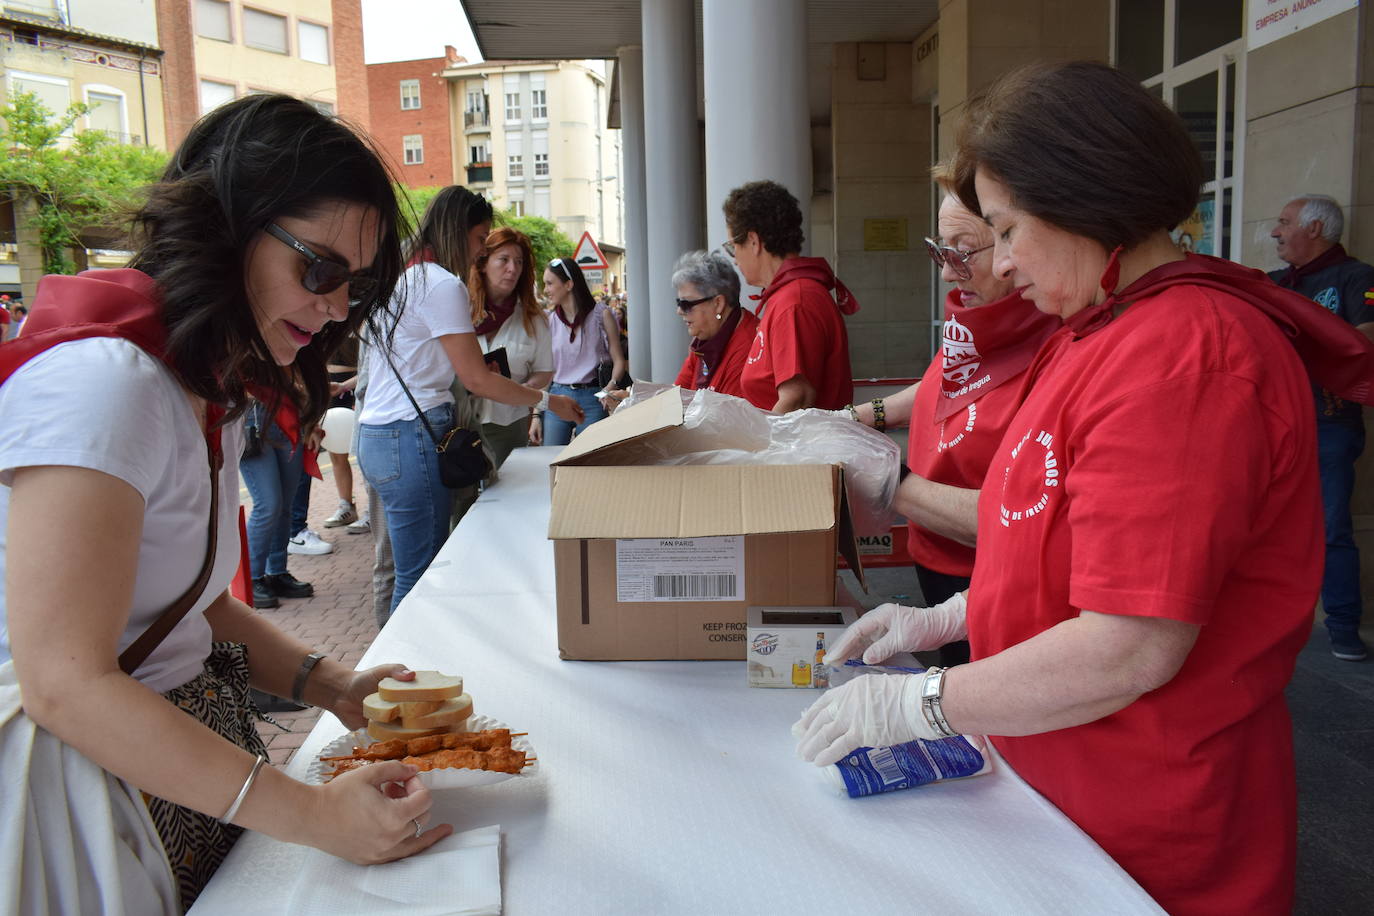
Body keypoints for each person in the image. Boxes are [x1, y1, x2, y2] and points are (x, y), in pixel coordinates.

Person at [795, 61, 1374, 916]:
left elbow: (1130, 644)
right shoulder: (1093, 331)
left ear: (1084, 199)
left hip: (1146, 814)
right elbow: (1049, 534)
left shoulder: (1187, 357)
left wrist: (924, 698)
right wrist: (950, 617)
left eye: (1006, 228)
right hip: (1059, 776)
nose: (999, 262)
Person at [0, 94, 450, 912]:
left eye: (360, 283)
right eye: (320, 269)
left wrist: (332, 686)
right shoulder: (106, 382)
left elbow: (194, 605)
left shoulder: (198, 382)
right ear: (225, 225)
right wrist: (312, 814)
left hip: (157, 765)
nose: (340, 307)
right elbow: (64, 683)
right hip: (75, 793)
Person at [842, 182, 1060, 665]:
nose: (946, 273)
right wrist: (861, 416)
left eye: (963, 254)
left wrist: (886, 477)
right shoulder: (983, 316)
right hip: (934, 546)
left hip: (986, 563)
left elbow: (1015, 516)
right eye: (940, 251)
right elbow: (948, 383)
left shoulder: (1054, 336)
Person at [358, 186, 582, 617]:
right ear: (458, 232)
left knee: (402, 569)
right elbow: (477, 379)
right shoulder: (441, 284)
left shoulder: (400, 277)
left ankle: (392, 673)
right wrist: (546, 400)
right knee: (419, 576)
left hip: (380, 435)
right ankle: (399, 677)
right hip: (412, 435)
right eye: (480, 239)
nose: (479, 252)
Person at [1268, 194, 1374, 662]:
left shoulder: (1357, 277)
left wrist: (1295, 344)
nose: (1275, 231)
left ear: (1315, 229)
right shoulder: (1271, 284)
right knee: (1260, 527)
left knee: (1331, 528)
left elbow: (1365, 341)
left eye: (1284, 222)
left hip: (1330, 424)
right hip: (1272, 423)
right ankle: (1263, 623)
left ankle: (1344, 627)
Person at [721, 179, 857, 412]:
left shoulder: (794, 302)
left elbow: (797, 399)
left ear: (753, 242)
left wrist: (759, 448)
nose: (734, 258)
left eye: (733, 247)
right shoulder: (789, 296)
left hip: (799, 447)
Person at [468, 227, 553, 464]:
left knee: (504, 493)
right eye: (503, 260)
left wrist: (523, 390)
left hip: (508, 423)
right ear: (483, 263)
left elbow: (544, 370)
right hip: (461, 422)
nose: (512, 269)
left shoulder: (533, 318)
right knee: (464, 499)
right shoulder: (459, 309)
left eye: (519, 262)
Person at [536, 256, 625, 446]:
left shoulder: (602, 315)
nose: (546, 290)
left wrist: (609, 387)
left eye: (550, 283)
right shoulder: (550, 321)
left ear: (568, 284)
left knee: (588, 463)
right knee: (552, 461)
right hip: (557, 396)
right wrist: (537, 414)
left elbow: (619, 361)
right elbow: (546, 371)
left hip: (593, 398)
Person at [240, 396, 319, 607]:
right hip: (251, 417)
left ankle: (277, 573)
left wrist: (311, 424)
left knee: (285, 504)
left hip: (289, 415)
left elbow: (305, 378)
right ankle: (251, 578)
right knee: (268, 504)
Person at [669, 249, 759, 399]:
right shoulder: (705, 337)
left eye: (686, 303)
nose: (679, 311)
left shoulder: (748, 346)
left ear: (718, 303)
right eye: (679, 302)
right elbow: (675, 397)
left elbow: (726, 417)